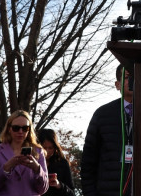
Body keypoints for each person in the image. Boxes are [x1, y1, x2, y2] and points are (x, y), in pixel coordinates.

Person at [80, 64, 133, 196]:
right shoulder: (102, 114)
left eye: (135, 77)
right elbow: (88, 163)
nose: (132, 81)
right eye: (127, 77)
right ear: (117, 84)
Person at [0, 110, 48, 195]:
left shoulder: (37, 151)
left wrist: (37, 169)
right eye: (16, 128)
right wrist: (6, 168)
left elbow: (43, 189)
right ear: (9, 129)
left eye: (25, 128)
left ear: (29, 130)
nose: (20, 131)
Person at [37, 128, 75, 196]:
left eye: (50, 148)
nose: (47, 151)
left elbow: (71, 193)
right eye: (44, 148)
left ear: (55, 147)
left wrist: (59, 185)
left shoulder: (62, 164)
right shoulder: (32, 162)